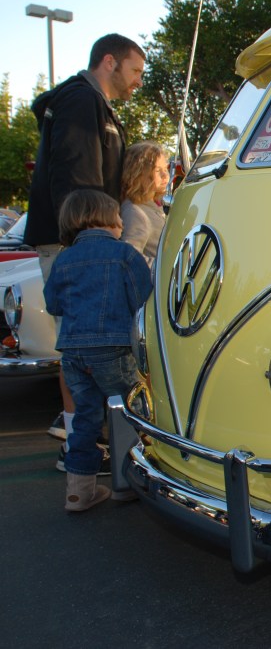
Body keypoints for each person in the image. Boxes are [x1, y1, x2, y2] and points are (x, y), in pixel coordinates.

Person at [23, 33, 145, 448]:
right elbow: (77, 177)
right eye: (135, 71)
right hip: (78, 246)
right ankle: (82, 444)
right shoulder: (81, 101)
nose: (137, 82)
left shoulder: (92, 105)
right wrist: (96, 240)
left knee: (79, 349)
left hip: (76, 243)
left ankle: (83, 447)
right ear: (109, 62)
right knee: (83, 349)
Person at [43, 189, 153, 511]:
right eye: (119, 219)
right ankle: (124, 484)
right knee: (130, 415)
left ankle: (78, 493)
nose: (122, 224)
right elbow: (143, 301)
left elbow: (53, 305)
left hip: (74, 355)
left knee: (85, 422)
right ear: (107, 220)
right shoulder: (125, 255)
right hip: (114, 349)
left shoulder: (63, 259)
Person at [120, 141, 168, 266]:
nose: (165, 175)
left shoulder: (154, 205)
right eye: (158, 170)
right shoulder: (134, 211)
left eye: (165, 169)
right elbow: (130, 258)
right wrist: (164, 270)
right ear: (139, 173)